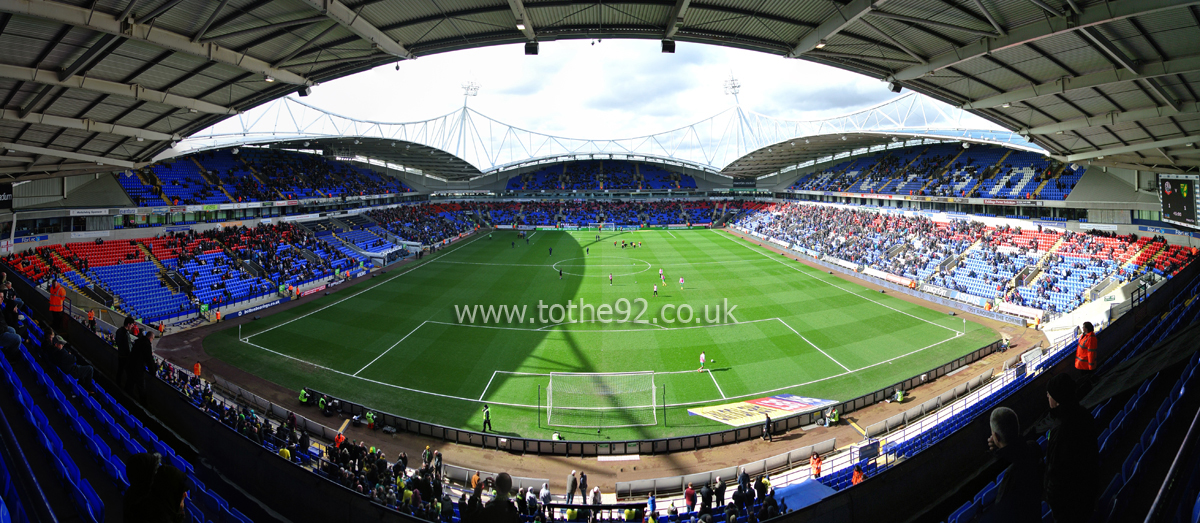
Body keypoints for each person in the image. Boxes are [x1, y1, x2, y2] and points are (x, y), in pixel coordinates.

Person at [1044, 374, 1100, 523]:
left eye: (1049, 395)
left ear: (1056, 400)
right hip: (1086, 495)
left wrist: (1052, 501)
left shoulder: (1061, 429)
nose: (1048, 398)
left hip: (1070, 506)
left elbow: (1056, 473)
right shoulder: (1084, 415)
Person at [983, 407, 1042, 523]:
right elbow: (1019, 450)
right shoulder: (1034, 448)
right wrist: (998, 448)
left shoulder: (1011, 478)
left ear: (995, 436)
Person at [129, 330, 157, 401]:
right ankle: (143, 405)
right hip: (138, 368)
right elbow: (149, 360)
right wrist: (153, 372)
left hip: (131, 364)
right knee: (141, 388)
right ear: (151, 338)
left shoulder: (139, 341)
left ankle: (127, 396)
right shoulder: (147, 345)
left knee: (130, 384)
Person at [115, 316, 136, 389]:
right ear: (128, 324)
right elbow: (128, 348)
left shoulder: (118, 330)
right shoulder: (126, 334)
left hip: (120, 355)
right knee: (130, 375)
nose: (132, 326)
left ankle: (117, 384)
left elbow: (117, 342)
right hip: (126, 358)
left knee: (120, 371)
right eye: (132, 325)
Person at [1075, 322, 1098, 386]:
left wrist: (1091, 367)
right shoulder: (1084, 335)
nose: (1082, 328)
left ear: (1086, 329)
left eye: (1083, 327)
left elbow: (1091, 353)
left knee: (1087, 380)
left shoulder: (1091, 338)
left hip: (1086, 366)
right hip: (1081, 364)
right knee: (1084, 379)